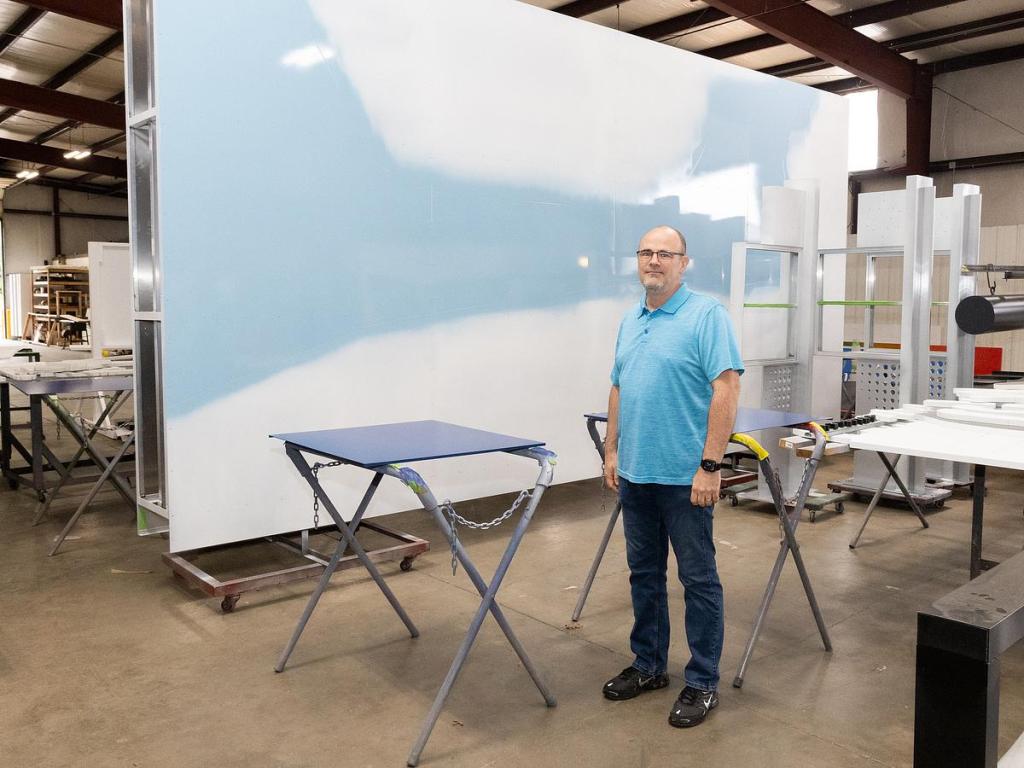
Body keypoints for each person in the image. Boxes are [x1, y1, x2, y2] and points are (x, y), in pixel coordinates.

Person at [602, 225, 743, 728]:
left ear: (684, 262)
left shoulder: (707, 316)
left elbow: (726, 389)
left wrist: (710, 465)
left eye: (665, 253)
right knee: (644, 575)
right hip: (636, 475)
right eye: (646, 252)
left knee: (698, 579)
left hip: (686, 479)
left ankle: (703, 680)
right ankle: (649, 665)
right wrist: (612, 450)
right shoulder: (630, 320)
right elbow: (618, 388)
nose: (654, 260)